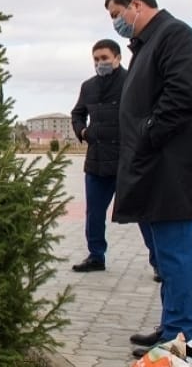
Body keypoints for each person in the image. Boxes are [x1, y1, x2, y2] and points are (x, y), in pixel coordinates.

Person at [103, 0, 192, 366]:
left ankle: (184, 342)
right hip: (151, 170)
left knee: (177, 257)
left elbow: (182, 95)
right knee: (165, 260)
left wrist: (147, 135)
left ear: (136, 4)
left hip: (172, 172)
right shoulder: (148, 45)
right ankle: (171, 329)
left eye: (117, 14)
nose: (117, 23)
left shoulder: (175, 35)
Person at [69, 39, 127, 272]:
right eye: (96, 59)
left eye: (104, 58)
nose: (100, 63)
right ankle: (96, 255)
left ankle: (158, 262)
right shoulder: (88, 86)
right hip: (96, 161)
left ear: (117, 58)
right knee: (94, 213)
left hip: (126, 161)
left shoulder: (132, 81)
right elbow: (77, 113)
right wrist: (83, 131)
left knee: (142, 213)